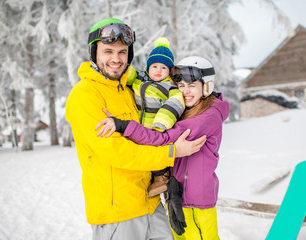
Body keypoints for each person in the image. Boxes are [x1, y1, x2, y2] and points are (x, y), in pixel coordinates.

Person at [65, 18, 206, 240]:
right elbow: (116, 151)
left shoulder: (129, 90)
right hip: (118, 214)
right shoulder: (85, 94)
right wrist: (171, 152)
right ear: (94, 53)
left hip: (150, 203)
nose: (116, 59)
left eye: (122, 52)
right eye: (108, 51)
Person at [96, 56, 230, 239]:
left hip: (197, 201)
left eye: (191, 86)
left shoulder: (207, 117)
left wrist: (123, 125)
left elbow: (161, 138)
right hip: (177, 196)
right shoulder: (188, 109)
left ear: (207, 87)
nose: (185, 92)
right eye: (180, 86)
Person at [126, 37, 185, 197]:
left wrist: (160, 124)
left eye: (163, 68)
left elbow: (175, 103)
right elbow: (128, 75)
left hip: (156, 129)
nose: (158, 70)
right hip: (139, 128)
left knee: (156, 154)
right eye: (154, 66)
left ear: (170, 71)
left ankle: (161, 179)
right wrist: (124, 69)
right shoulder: (140, 79)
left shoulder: (169, 87)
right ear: (148, 67)